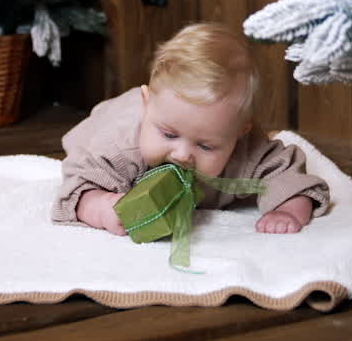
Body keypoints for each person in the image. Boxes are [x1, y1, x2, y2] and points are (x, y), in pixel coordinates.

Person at [52, 22, 330, 235]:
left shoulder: (248, 153)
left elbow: (288, 176)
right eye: (169, 135)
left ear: (239, 133)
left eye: (206, 145)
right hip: (109, 119)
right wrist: (101, 207)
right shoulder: (120, 148)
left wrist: (288, 210)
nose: (182, 154)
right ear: (148, 103)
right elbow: (79, 185)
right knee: (88, 145)